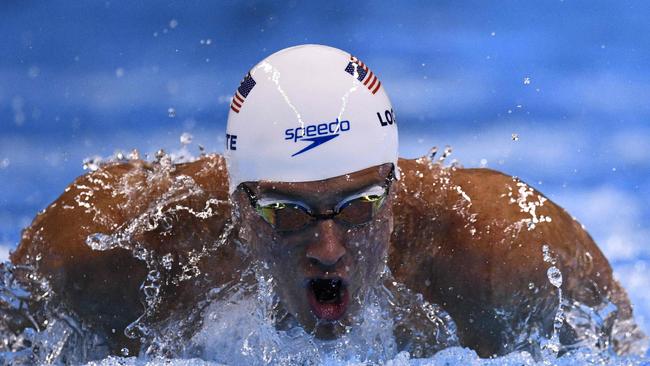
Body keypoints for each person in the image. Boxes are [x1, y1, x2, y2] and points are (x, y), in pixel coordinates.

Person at [8, 45, 645, 360]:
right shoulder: (105, 249)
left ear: (393, 197)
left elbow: (623, 348)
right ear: (239, 212)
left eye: (360, 207)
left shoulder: (504, 252)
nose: (329, 249)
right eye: (286, 215)